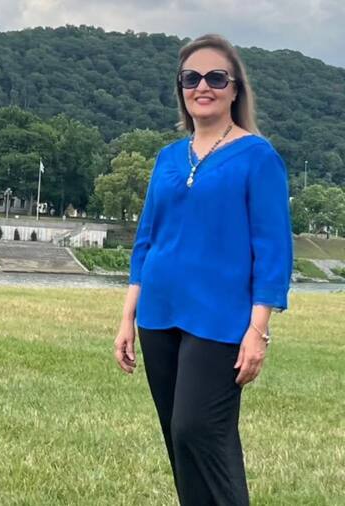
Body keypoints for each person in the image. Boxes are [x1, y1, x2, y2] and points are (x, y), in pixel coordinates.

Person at [113, 34, 293, 506]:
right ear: (181, 89)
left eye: (216, 77)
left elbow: (273, 250)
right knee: (178, 436)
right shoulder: (168, 157)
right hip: (158, 314)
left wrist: (258, 330)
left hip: (221, 319)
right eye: (191, 78)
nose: (203, 86)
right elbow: (146, 239)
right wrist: (127, 317)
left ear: (235, 89)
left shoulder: (259, 157)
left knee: (200, 430)